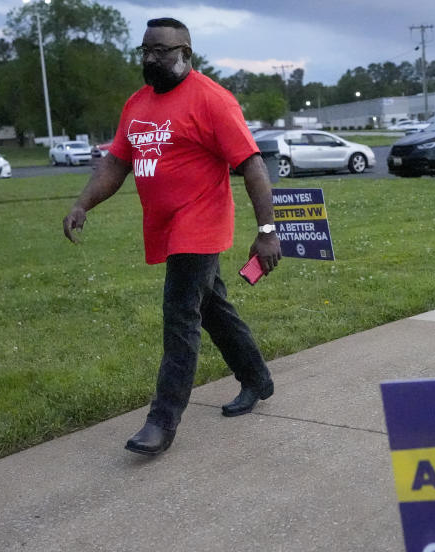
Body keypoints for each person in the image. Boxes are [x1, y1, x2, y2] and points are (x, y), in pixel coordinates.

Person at [62, 17, 281, 456]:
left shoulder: (212, 100)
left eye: (161, 50)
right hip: (163, 224)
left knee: (180, 315)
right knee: (212, 306)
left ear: (186, 53)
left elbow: (252, 164)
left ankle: (161, 422)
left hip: (200, 224)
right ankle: (256, 378)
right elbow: (116, 163)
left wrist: (267, 231)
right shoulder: (137, 104)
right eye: (145, 50)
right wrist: (83, 203)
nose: (150, 58)